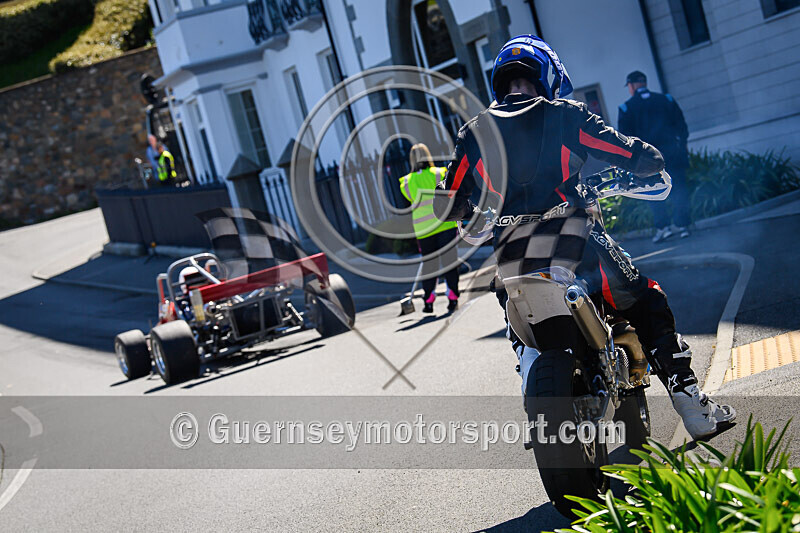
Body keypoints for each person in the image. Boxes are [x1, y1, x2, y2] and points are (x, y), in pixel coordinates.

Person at [433, 34, 734, 439]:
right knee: (647, 298)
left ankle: (533, 395)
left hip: (512, 258)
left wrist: (471, 213)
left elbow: (447, 202)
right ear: (547, 76)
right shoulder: (565, 115)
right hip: (576, 246)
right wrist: (648, 157)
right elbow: (630, 153)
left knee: (513, 317)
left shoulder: (474, 132)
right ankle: (690, 403)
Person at [618, 71, 692, 243]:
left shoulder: (626, 108)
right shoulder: (666, 100)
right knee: (679, 188)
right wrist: (681, 147)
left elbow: (625, 139)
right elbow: (682, 127)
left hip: (647, 159)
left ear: (632, 85)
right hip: (673, 153)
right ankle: (683, 226)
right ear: (644, 82)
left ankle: (663, 228)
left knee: (652, 191)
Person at [399, 143, 461, 313]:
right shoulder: (440, 173)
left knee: (429, 265)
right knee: (450, 263)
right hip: (444, 224)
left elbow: (408, 202)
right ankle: (453, 296)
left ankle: (428, 299)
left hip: (423, 229)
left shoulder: (405, 182)